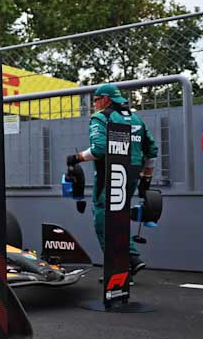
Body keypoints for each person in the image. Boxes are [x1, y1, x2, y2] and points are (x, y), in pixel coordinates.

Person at [67, 84, 157, 276]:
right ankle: (129, 263)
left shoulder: (101, 117)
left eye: (95, 100)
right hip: (132, 175)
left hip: (110, 174)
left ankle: (123, 265)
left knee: (103, 219)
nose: (94, 105)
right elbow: (152, 150)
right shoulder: (136, 118)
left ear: (105, 99)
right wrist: (146, 177)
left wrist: (76, 158)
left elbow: (99, 149)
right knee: (120, 214)